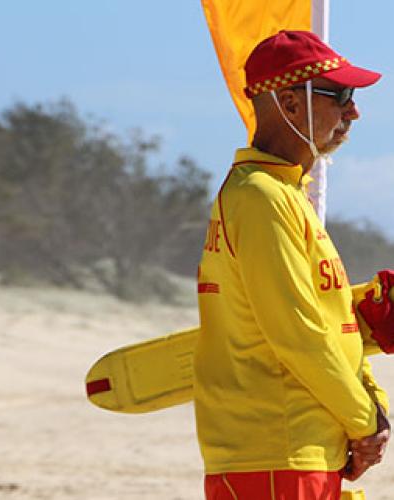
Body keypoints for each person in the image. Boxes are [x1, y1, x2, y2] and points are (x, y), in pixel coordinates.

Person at [194, 30, 390, 500]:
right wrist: (365, 422)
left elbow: (326, 319)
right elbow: (295, 332)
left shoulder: (285, 194)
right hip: (277, 450)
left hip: (304, 448)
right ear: (289, 103)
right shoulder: (261, 198)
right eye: (339, 95)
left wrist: (372, 403)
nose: (353, 111)